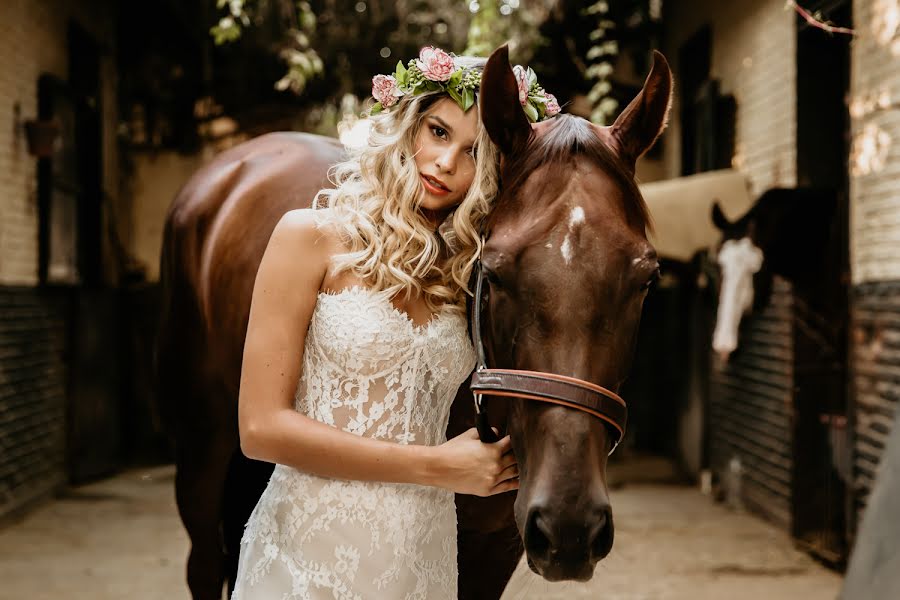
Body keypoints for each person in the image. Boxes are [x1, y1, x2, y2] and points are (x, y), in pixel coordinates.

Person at [230, 47, 559, 599]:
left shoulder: (471, 276)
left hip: (421, 557)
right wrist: (438, 467)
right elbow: (259, 430)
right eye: (437, 131)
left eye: (474, 151)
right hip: (308, 553)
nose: (447, 163)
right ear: (408, 126)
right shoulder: (308, 236)